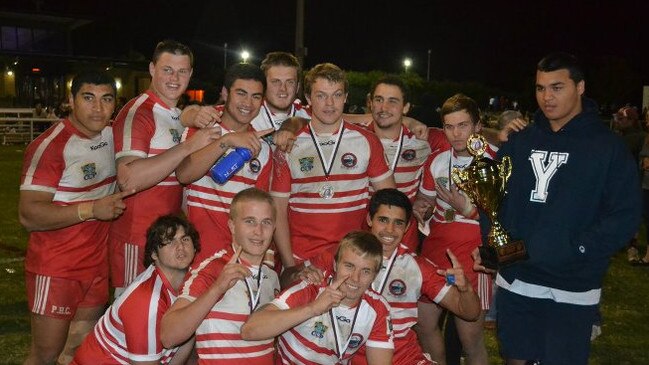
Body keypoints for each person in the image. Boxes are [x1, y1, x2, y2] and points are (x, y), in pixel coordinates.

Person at [482, 52, 641, 364]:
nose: (547, 97)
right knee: (514, 358)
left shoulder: (608, 147)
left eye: (557, 87)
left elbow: (625, 215)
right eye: (541, 88)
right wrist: (498, 249)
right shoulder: (520, 140)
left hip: (572, 285)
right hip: (518, 279)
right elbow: (491, 197)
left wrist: (578, 248)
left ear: (579, 87)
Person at [283, 188, 481, 365]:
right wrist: (300, 274)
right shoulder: (341, 254)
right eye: (383, 220)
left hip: (404, 358)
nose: (389, 230)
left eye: (398, 223)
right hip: (351, 355)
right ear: (370, 220)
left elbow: (469, 313)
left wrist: (465, 289)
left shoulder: (417, 267)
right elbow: (286, 279)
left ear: (406, 228)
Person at [19, 71, 130, 365]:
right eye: (88, 98)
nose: (98, 108)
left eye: (106, 100)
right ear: (71, 101)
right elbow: (29, 214)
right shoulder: (51, 146)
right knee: (45, 355)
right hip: (56, 268)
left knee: (77, 351)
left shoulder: (113, 135)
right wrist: (91, 209)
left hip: (95, 265)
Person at [110, 40, 220, 294]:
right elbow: (128, 179)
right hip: (137, 240)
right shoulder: (138, 112)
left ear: (191, 74)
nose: (175, 78)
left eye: (182, 71)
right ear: (151, 69)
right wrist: (188, 147)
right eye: (167, 69)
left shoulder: (174, 115)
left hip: (168, 240)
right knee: (134, 319)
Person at [270, 63, 395, 268]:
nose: (329, 104)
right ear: (309, 99)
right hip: (303, 260)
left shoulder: (367, 141)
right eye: (321, 96)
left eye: (337, 95)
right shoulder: (289, 145)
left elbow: (390, 204)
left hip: (353, 259)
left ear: (346, 97)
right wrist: (290, 265)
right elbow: (278, 211)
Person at [413, 94, 494, 365]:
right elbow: (424, 199)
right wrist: (420, 207)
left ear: (478, 126)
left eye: (463, 125)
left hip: (473, 261)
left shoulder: (494, 161)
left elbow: (508, 217)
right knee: (424, 325)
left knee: (470, 341)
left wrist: (468, 210)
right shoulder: (436, 160)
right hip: (435, 255)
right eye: (449, 127)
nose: (456, 134)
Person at [160, 188, 280, 364]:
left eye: (266, 222)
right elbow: (168, 336)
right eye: (250, 221)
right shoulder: (212, 269)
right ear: (232, 226)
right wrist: (217, 289)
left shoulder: (271, 276)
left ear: (274, 227)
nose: (258, 231)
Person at [241, 230, 394, 365]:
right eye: (349, 266)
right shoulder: (311, 288)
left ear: (375, 275)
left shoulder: (378, 308)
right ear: (335, 265)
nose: (355, 278)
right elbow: (249, 330)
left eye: (366, 271)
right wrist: (313, 309)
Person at [176, 63, 274, 265]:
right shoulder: (201, 128)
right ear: (224, 92)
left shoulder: (263, 147)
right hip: (198, 256)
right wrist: (226, 141)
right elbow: (184, 175)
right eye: (241, 93)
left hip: (239, 260)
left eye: (256, 96)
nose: (248, 103)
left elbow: (262, 212)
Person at [71, 215, 199, 364]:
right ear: (154, 254)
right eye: (169, 241)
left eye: (185, 239)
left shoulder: (195, 281)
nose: (180, 247)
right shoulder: (146, 301)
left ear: (195, 247)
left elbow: (186, 335)